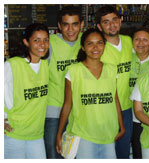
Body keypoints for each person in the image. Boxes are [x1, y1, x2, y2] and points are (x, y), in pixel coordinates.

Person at [56, 28, 125, 159]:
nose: (95, 47)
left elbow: (115, 99)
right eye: (90, 43)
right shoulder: (74, 71)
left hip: (108, 132)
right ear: (83, 47)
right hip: (83, 134)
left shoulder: (112, 69)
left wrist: (122, 126)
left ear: (104, 45)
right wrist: (59, 133)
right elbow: (67, 104)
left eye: (99, 43)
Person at [4, 23, 49, 159]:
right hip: (14, 133)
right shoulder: (13, 65)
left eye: (46, 40)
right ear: (26, 42)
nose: (42, 44)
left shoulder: (45, 65)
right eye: (36, 40)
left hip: (36, 134)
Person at [44, 5, 84, 158]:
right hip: (54, 111)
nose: (70, 29)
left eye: (75, 24)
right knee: (54, 154)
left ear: (81, 24)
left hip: (79, 113)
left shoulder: (88, 41)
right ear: (59, 26)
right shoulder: (49, 43)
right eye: (66, 24)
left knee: (77, 156)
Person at [96, 5, 133, 158]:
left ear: (121, 20)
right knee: (105, 152)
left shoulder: (129, 41)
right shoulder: (97, 48)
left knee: (123, 152)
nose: (111, 25)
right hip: (105, 110)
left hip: (127, 108)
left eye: (114, 20)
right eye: (106, 22)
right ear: (99, 26)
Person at [130, 27, 149, 159]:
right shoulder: (127, 58)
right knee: (137, 151)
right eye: (137, 39)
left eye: (145, 40)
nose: (141, 43)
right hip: (130, 115)